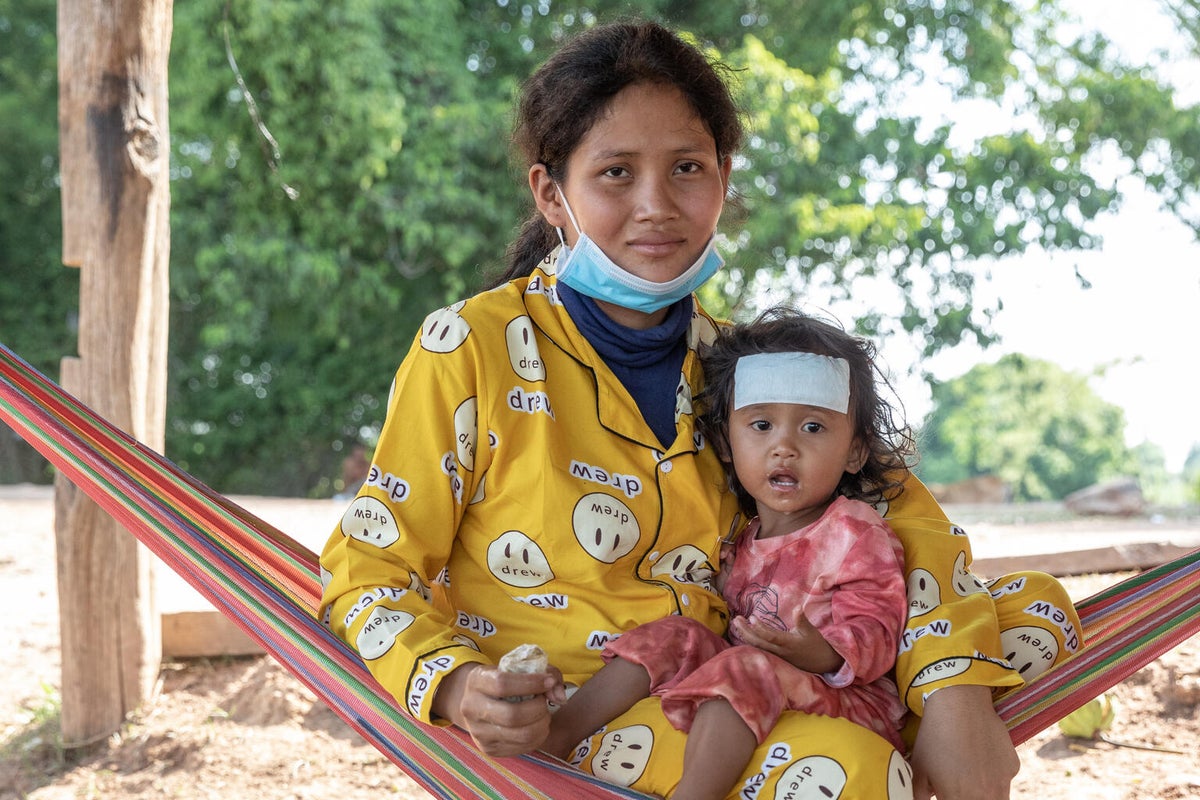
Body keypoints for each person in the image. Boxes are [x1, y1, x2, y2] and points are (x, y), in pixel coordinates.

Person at [318, 19, 1083, 800]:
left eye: (686, 167)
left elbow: (894, 509)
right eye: (616, 173)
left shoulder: (740, 367)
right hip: (577, 715)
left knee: (1036, 615)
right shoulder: (470, 346)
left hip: (756, 670)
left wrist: (953, 697)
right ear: (552, 194)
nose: (656, 206)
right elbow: (367, 569)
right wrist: (456, 688)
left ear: (722, 177)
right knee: (849, 773)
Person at [541, 308, 913, 800]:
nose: (784, 447)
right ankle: (555, 738)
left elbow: (879, 627)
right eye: (761, 425)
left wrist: (819, 651)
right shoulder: (739, 536)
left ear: (855, 452)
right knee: (676, 635)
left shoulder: (854, 532)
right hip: (752, 681)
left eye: (814, 428)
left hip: (846, 699)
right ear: (725, 442)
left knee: (742, 665)